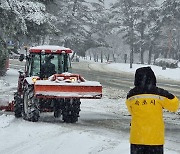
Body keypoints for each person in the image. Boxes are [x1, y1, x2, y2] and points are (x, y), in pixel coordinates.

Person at [126, 66, 179, 154]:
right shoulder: (160, 93)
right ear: (152, 78)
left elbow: (131, 111)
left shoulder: (131, 95)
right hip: (155, 139)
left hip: (137, 138)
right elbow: (174, 106)